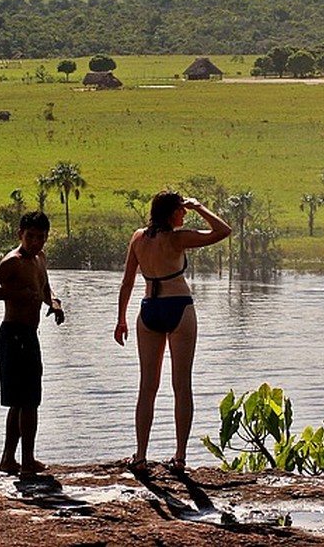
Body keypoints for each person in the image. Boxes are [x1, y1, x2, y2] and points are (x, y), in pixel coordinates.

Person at [115, 191, 231, 473]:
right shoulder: (178, 238)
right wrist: (201, 206)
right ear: (170, 213)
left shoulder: (138, 238)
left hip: (149, 310)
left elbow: (128, 282)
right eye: (182, 211)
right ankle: (180, 457)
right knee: (182, 386)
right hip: (179, 308)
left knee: (147, 387)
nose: (185, 215)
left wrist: (121, 319)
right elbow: (223, 231)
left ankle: (140, 457)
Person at [0, 211, 64, 476]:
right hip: (13, 334)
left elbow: (45, 285)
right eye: (30, 237)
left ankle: (9, 460)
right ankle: (26, 461)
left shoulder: (40, 258)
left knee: (22, 400)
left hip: (29, 334)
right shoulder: (12, 262)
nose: (35, 242)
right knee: (28, 401)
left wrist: (54, 303)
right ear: (20, 235)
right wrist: (17, 294)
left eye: (40, 237)